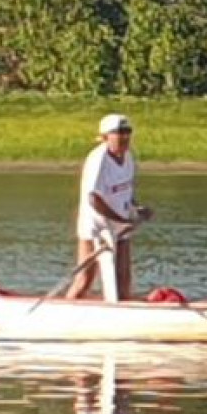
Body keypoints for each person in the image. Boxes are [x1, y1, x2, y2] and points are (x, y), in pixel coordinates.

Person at [68, 113, 154, 302]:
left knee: (123, 280)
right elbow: (94, 199)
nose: (124, 137)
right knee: (85, 279)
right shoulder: (99, 159)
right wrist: (120, 219)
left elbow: (125, 191)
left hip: (120, 224)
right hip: (96, 227)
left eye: (127, 132)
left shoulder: (128, 157)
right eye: (118, 133)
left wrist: (137, 208)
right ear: (105, 136)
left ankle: (124, 312)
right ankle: (66, 308)